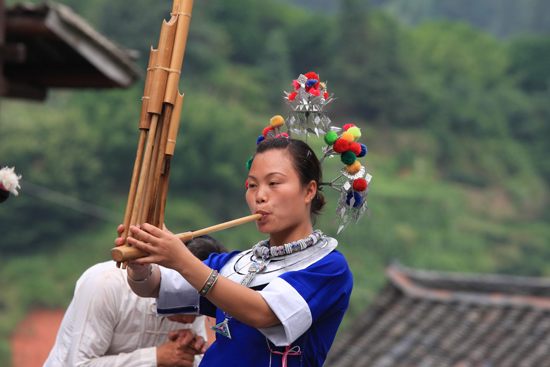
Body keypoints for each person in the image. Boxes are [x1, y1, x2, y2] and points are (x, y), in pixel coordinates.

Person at [116, 137, 354, 367]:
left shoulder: (328, 267)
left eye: (273, 183)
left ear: (309, 191)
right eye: (252, 185)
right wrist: (141, 263)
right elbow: (153, 286)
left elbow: (263, 312)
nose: (259, 196)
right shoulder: (236, 263)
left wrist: (181, 259)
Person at [44, 235, 228, 367]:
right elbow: (79, 364)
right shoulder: (106, 284)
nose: (191, 319)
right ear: (173, 275)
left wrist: (190, 355)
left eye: (200, 310)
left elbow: (185, 360)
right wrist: (156, 357)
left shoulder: (195, 306)